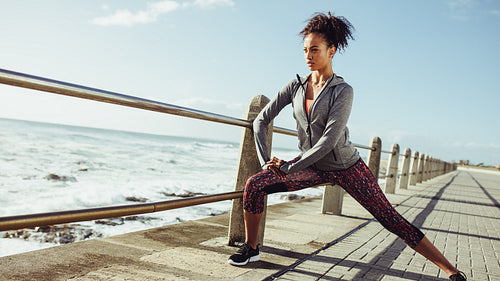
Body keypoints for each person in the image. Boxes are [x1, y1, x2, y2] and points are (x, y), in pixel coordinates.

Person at [226, 12, 467, 281]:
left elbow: (329, 141)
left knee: (390, 219)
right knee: (255, 185)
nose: (308, 55)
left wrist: (290, 166)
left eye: (315, 50)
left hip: (346, 167)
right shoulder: (295, 86)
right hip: (312, 165)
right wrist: (266, 162)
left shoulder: (343, 91)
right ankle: (252, 248)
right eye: (305, 50)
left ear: (332, 51)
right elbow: (261, 120)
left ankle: (452, 271)